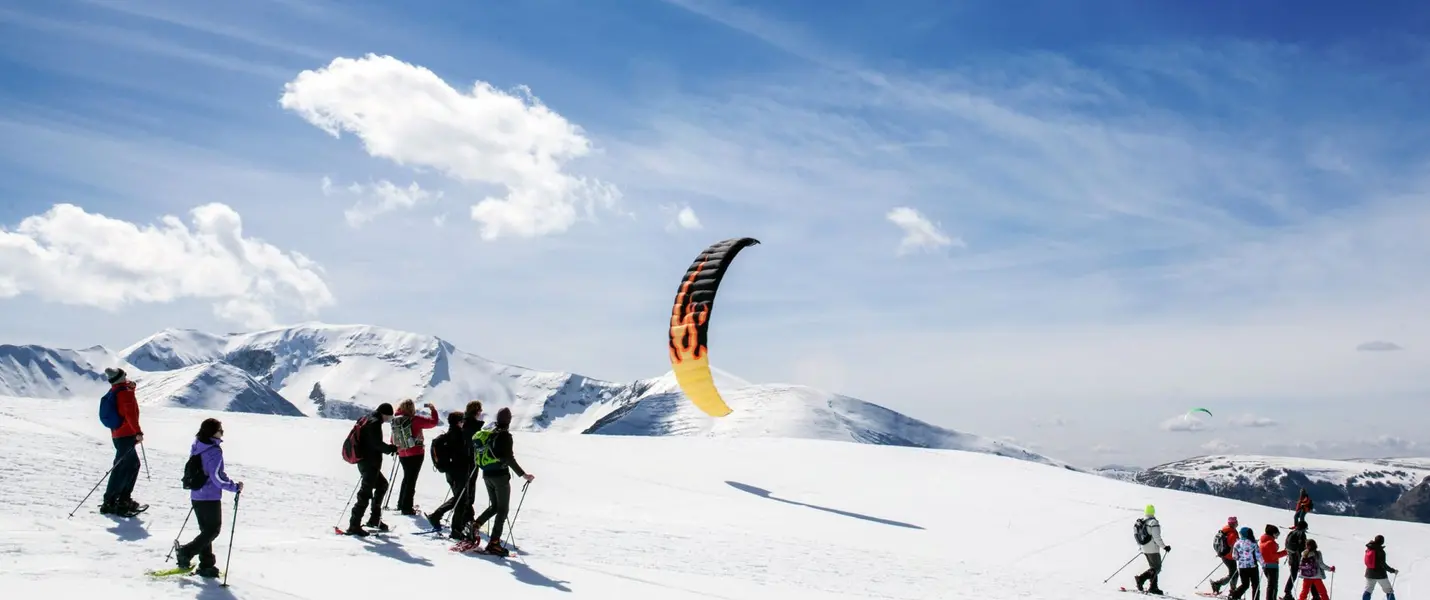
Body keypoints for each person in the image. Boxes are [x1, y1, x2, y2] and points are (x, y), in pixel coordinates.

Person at [175, 418, 242, 578]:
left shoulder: (198, 445)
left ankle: (207, 564)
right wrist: (234, 487)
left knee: (206, 531)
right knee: (213, 530)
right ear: (213, 432)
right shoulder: (214, 451)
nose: (222, 433)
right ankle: (186, 552)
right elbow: (217, 477)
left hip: (197, 494)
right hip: (209, 497)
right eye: (220, 430)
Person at [464, 407, 534, 556]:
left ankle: (475, 525)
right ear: (509, 421)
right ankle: (494, 543)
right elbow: (509, 458)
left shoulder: (490, 432)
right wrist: (523, 475)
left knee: (495, 506)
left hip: (486, 474)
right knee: (502, 509)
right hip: (500, 476)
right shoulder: (505, 436)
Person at [100, 367, 145, 517]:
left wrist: (131, 388)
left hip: (118, 434)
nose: (127, 376)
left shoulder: (116, 390)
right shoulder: (124, 393)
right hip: (126, 434)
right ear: (121, 377)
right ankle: (114, 501)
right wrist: (137, 432)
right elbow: (130, 414)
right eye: (124, 374)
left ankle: (120, 499)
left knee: (127, 465)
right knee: (124, 466)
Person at [347, 403, 397, 536]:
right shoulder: (374, 422)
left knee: (382, 485)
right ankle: (354, 525)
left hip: (365, 461)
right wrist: (391, 449)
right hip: (369, 462)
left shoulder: (366, 418)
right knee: (365, 493)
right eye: (389, 416)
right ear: (384, 414)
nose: (389, 419)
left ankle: (374, 519)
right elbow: (376, 444)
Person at [391, 399, 440, 515]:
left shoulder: (395, 420)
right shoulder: (415, 420)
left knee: (407, 478)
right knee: (411, 480)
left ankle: (401, 504)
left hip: (402, 453)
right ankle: (407, 508)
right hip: (416, 453)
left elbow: (393, 437)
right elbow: (433, 422)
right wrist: (433, 410)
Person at [445, 401, 485, 540]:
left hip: (460, 464)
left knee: (463, 494)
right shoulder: (471, 426)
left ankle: (465, 520)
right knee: (466, 494)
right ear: (477, 411)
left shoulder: (463, 425)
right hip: (468, 464)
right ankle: (461, 524)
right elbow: (470, 446)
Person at [424, 411, 467, 530]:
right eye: (462, 421)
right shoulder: (458, 435)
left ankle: (438, 516)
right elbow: (460, 454)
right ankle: (453, 528)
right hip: (457, 471)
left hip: (449, 470)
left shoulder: (449, 434)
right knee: (461, 499)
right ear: (459, 422)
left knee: (459, 497)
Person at [1133, 504, 1169, 595]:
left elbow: (1136, 535)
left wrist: (1140, 547)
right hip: (1153, 549)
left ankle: (1153, 586)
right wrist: (1164, 547)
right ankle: (1141, 579)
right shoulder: (1153, 523)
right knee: (1156, 568)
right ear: (1153, 512)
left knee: (1153, 568)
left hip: (1144, 548)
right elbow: (1157, 538)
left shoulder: (1141, 522)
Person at [1231, 526, 1265, 600]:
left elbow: (1235, 557)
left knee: (1245, 584)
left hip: (1242, 567)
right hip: (1253, 567)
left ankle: (1234, 595)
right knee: (1255, 585)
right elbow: (1258, 555)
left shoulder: (1237, 544)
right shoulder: (1253, 544)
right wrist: (1263, 564)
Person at [1212, 517, 1242, 595]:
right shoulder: (1232, 533)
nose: (1237, 523)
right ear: (1233, 523)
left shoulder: (1225, 530)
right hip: (1230, 556)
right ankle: (1228, 589)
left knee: (1233, 573)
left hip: (1224, 555)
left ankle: (1219, 585)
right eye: (1236, 522)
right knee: (1234, 574)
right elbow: (1233, 545)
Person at [1283, 521, 1312, 600]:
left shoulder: (1292, 533)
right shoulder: (1301, 534)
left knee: (1293, 575)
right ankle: (1287, 593)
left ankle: (1287, 593)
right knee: (1309, 575)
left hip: (1291, 557)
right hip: (1298, 557)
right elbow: (1303, 547)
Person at [1363, 534, 1398, 600]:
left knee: (1368, 590)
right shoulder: (1380, 551)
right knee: (1389, 591)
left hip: (1369, 573)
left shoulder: (1369, 548)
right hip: (1380, 575)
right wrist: (1393, 571)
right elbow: (1383, 565)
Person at [1261, 525, 1288, 600]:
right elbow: (1273, 556)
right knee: (1273, 585)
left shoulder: (1263, 540)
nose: (1277, 536)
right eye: (1277, 534)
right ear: (1273, 534)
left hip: (1265, 565)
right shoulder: (1270, 542)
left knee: (1271, 585)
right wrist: (1285, 552)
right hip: (1272, 565)